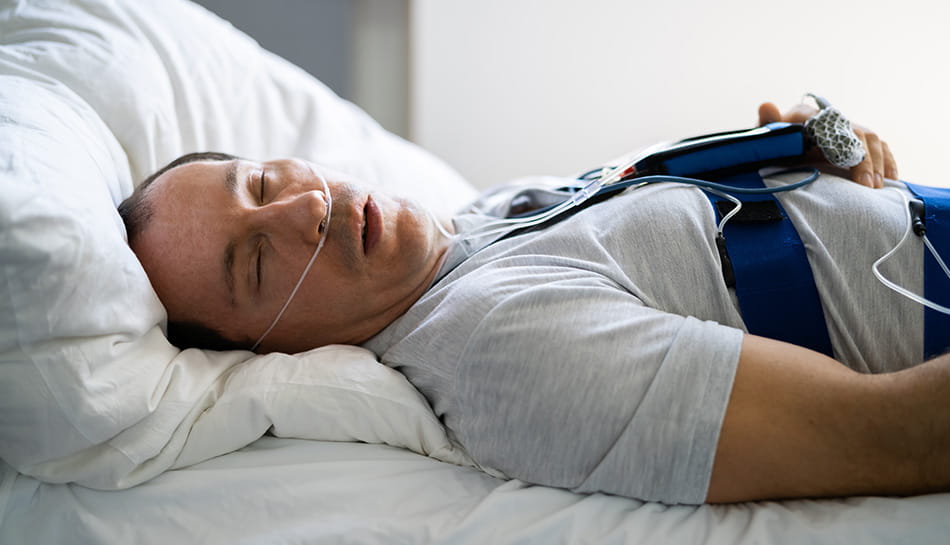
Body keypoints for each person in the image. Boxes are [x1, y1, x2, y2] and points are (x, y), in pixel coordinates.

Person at [119, 101, 950, 505]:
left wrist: (824, 149)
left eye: (263, 183)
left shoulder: (496, 210)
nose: (302, 209)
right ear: (273, 351)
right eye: (256, 262)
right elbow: (895, 438)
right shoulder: (494, 349)